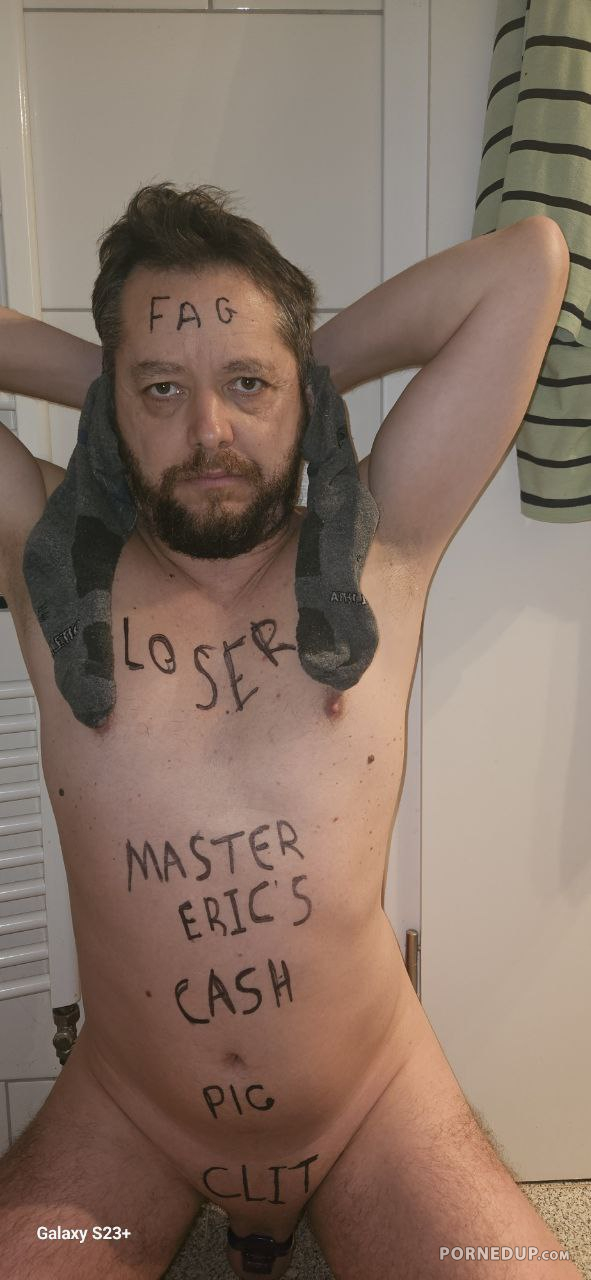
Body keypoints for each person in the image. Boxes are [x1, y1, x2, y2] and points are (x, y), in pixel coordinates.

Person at [0, 184, 579, 1280]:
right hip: (128, 1118)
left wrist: (295, 370)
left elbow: (529, 261)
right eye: (161, 391)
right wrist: (110, 376)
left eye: (248, 386)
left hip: (373, 1109)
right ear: (114, 404)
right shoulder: (50, 561)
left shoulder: (380, 547)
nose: (208, 431)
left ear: (298, 396)